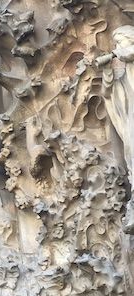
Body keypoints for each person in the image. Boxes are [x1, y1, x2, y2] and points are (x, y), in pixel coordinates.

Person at [95, 25, 134, 233]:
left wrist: (121, 52)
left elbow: (130, 53)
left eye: (120, 42)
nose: (116, 47)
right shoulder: (124, 68)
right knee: (131, 153)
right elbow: (109, 92)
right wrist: (108, 71)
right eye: (115, 43)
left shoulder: (129, 56)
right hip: (130, 118)